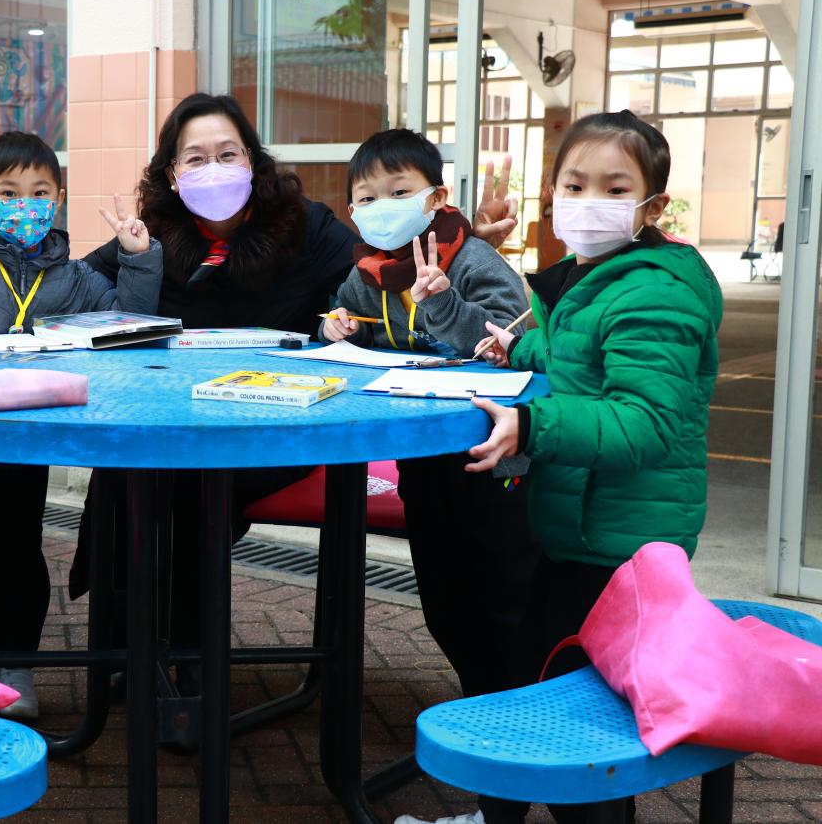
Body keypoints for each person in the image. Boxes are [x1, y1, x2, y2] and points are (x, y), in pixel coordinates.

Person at [71, 93, 520, 671]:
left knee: (186, 485)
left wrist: (462, 243)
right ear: (172, 174)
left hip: (276, 427)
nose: (214, 169)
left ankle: (185, 665)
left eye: (228, 154)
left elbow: (384, 276)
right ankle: (126, 652)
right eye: (195, 158)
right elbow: (76, 292)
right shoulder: (150, 233)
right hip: (175, 419)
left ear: (253, 161)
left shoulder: (303, 225)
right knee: (125, 474)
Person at [465, 110, 723, 824]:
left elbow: (645, 422)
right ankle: (496, 817)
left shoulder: (654, 292)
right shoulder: (592, 279)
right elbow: (579, 363)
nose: (589, 201)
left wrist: (535, 424)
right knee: (536, 684)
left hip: (618, 547)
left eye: (615, 188)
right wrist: (517, 351)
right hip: (580, 532)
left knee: (577, 717)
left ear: (652, 207)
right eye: (575, 184)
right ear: (552, 192)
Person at [322, 129, 539, 824]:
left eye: (398, 191)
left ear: (437, 197)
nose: (381, 207)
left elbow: (513, 346)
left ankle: (513, 771)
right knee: (447, 606)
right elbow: (354, 322)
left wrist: (445, 303)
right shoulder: (366, 271)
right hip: (424, 462)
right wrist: (339, 328)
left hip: (492, 462)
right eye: (366, 198)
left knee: (501, 610)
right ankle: (490, 746)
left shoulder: (473, 259)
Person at [0, 131, 162, 721]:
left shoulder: (72, 277)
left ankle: (16, 661)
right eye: (9, 193)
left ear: (59, 198)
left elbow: (127, 323)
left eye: (40, 192)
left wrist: (137, 258)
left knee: (17, 546)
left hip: (24, 439)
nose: (25, 204)